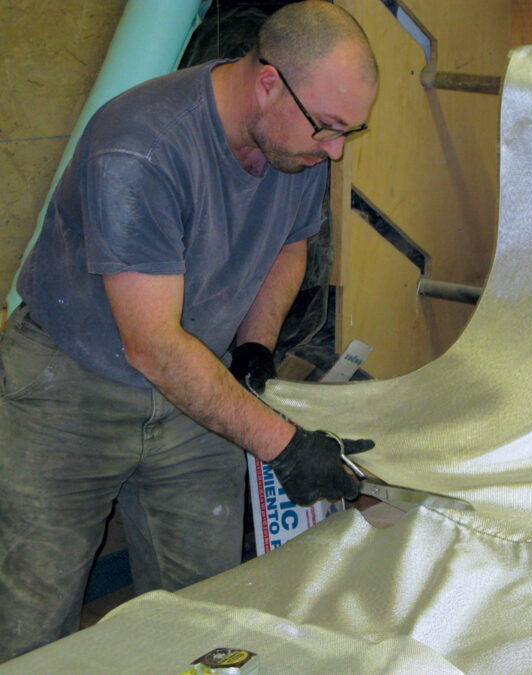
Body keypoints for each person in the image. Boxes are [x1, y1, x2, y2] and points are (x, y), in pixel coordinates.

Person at [0, 0, 377, 662]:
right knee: (33, 615)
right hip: (68, 392)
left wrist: (254, 350)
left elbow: (290, 243)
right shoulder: (141, 144)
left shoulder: (299, 151)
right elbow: (153, 345)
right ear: (267, 83)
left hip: (193, 387)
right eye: (327, 128)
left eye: (349, 131)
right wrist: (285, 445)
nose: (335, 150)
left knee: (206, 607)